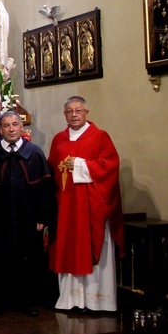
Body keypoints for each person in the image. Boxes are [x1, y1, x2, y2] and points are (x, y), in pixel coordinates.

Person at [47, 96, 124, 313]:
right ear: (64, 115)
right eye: (69, 111)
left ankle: (97, 300)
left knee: (93, 249)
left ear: (86, 113)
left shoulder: (99, 137)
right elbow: (52, 171)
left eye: (78, 111)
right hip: (67, 210)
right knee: (68, 249)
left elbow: (110, 167)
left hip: (91, 209)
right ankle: (70, 300)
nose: (74, 115)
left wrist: (81, 164)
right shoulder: (59, 140)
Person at [0, 111, 54, 316]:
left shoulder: (35, 153)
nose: (11, 129)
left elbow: (45, 189)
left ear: (22, 127)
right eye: (6, 125)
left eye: (15, 124)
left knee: (29, 259)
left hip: (28, 217)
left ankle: (28, 300)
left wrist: (42, 217)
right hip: (0, 217)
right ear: (1, 129)